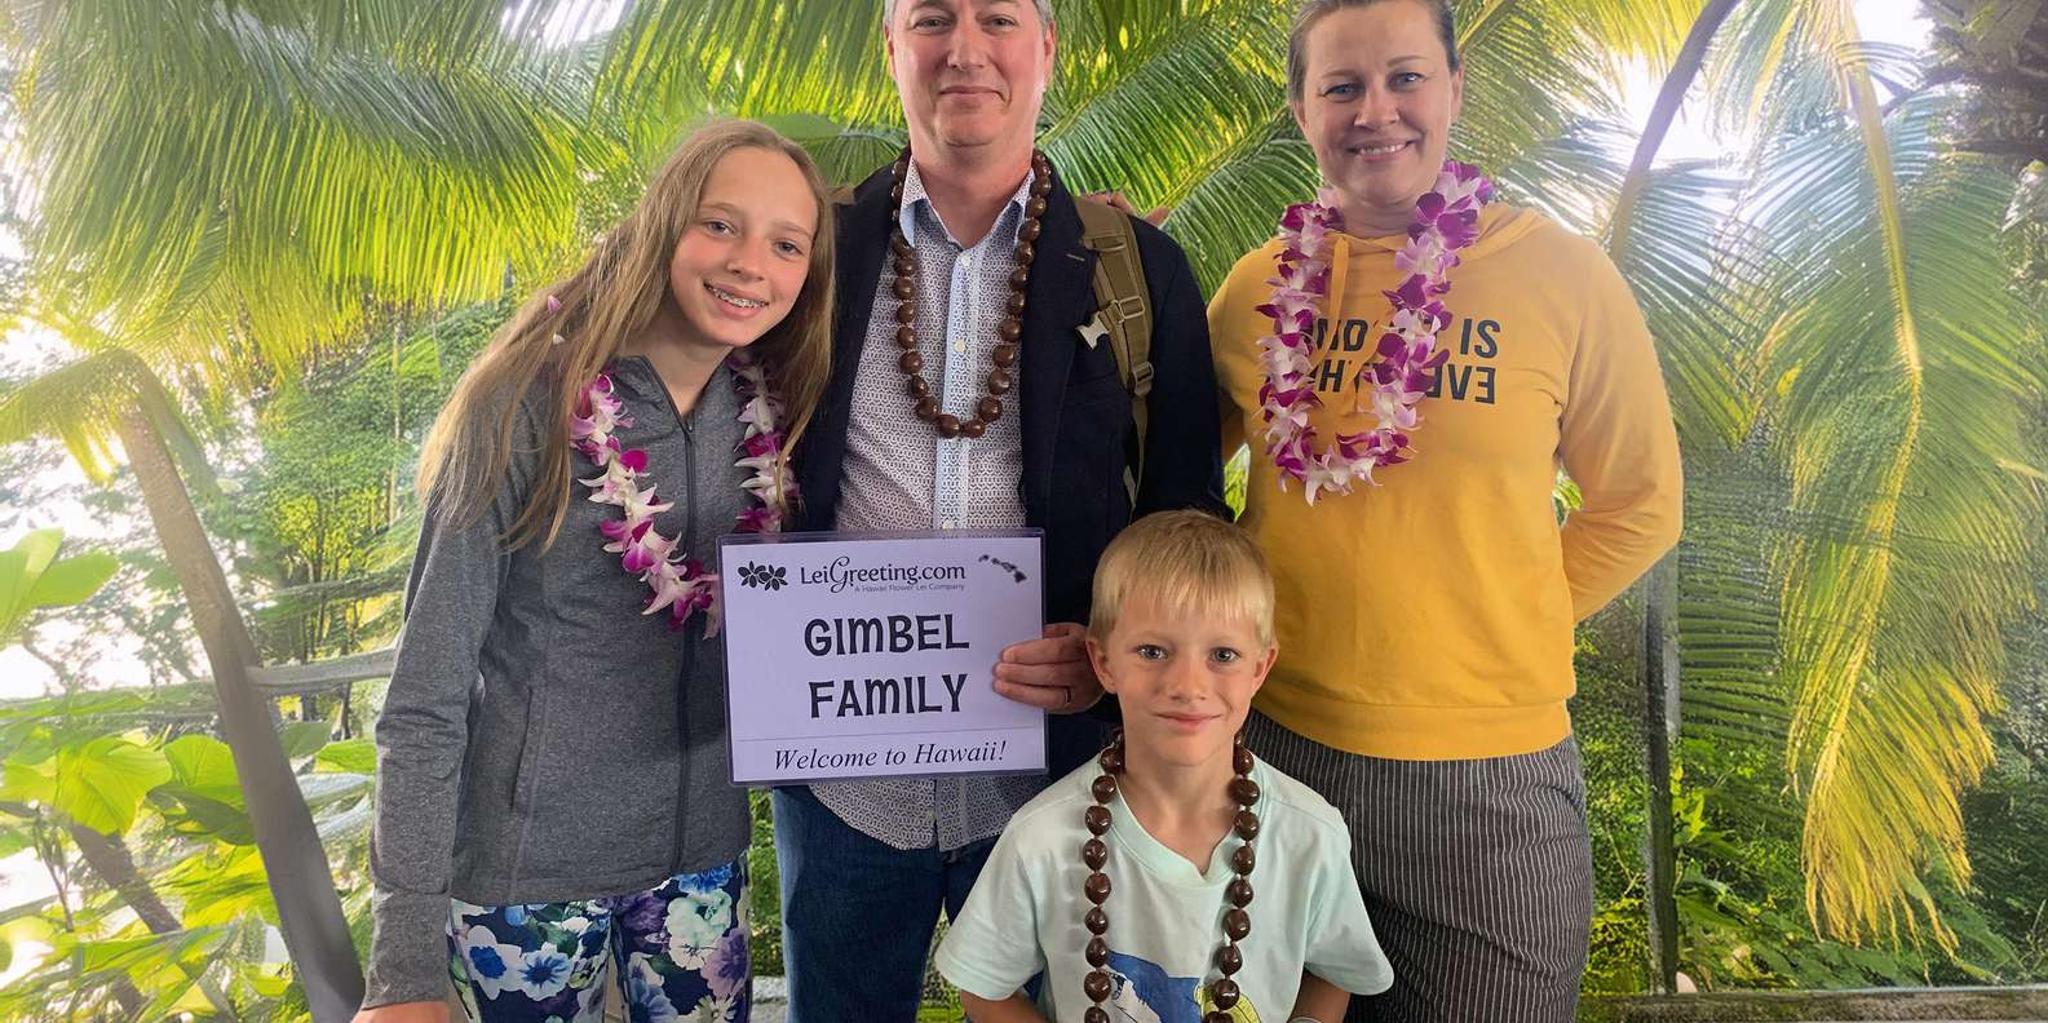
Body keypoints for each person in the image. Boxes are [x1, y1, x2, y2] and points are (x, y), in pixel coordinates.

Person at [1204, 1, 1684, 1020]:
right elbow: (1172, 490)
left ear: (1452, 90)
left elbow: (1641, 504)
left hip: (1486, 789)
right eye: (1340, 86)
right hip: (1271, 750)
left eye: (1404, 77)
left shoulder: (1559, 276)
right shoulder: (1255, 288)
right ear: (1301, 109)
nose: (1374, 110)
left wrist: (1509, 615)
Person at [775, 0, 1224, 1017]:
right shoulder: (807, 251)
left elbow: (1185, 515)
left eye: (997, 18)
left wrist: (1110, 655)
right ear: (890, 48)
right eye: (930, 18)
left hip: (1055, 783)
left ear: (1045, 49)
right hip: (842, 789)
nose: (964, 50)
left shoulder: (1135, 272)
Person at [353, 119, 837, 1023]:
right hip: (526, 878)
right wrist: (402, 972)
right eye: (719, 225)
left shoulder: (772, 413)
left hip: (703, 866)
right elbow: (423, 700)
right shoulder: (519, 405)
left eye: (786, 243)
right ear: (660, 223)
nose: (749, 264)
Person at [936, 510, 1393, 1023]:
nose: (1187, 684)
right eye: (1153, 651)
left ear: (1260, 668)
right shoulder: (1041, 837)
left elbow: (1336, 969)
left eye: (1222, 654)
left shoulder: (1309, 832)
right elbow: (983, 986)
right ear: (1103, 662)